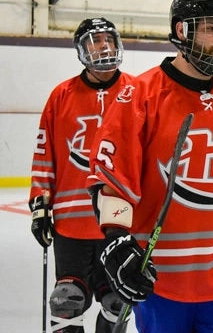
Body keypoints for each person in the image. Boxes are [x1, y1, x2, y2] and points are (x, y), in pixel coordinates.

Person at [86, 0, 213, 333]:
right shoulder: (140, 95)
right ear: (181, 31)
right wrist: (115, 241)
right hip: (163, 281)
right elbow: (113, 184)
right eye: (211, 28)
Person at [28, 17, 136, 332]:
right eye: (95, 41)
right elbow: (44, 154)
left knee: (119, 302)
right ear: (81, 50)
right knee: (67, 300)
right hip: (71, 224)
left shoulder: (137, 91)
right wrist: (39, 202)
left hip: (119, 221)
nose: (104, 47)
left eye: (109, 40)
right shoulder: (61, 95)